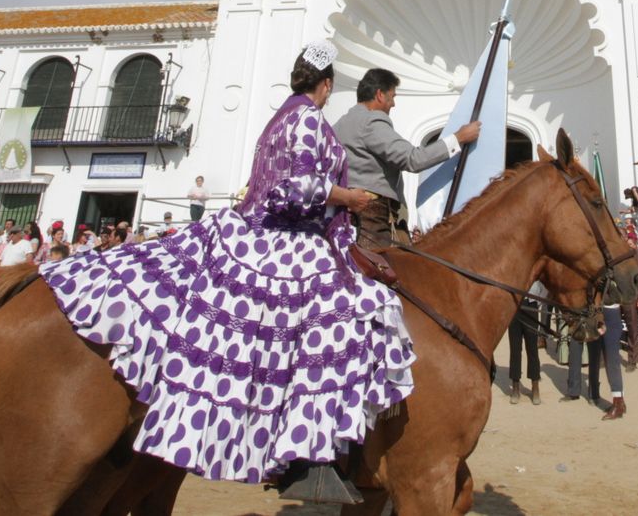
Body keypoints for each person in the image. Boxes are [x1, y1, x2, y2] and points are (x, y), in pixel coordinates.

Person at [41, 41, 415, 493]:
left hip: (263, 230)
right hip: (288, 237)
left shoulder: (280, 119)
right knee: (345, 315)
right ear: (327, 85)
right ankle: (306, 452)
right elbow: (295, 187)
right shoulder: (307, 119)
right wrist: (347, 198)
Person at [334, 68, 481, 249]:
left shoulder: (340, 124)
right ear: (380, 95)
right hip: (372, 222)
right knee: (387, 275)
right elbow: (413, 159)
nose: (393, 104)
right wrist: (458, 138)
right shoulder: (371, 122)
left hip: (350, 221)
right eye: (392, 97)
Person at [507, 285, 543, 406]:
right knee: (515, 349)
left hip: (531, 306)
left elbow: (545, 286)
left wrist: (539, 302)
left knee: (532, 349)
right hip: (514, 307)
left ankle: (535, 387)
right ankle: (516, 387)